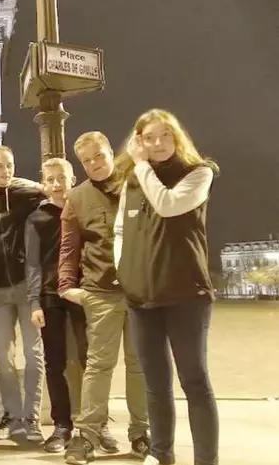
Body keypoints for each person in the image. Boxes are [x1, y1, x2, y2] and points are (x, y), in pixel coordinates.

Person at [114, 109, 219, 465]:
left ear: (177, 137)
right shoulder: (129, 183)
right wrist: (124, 271)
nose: (157, 144)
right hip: (142, 298)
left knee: (195, 383)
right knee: (155, 387)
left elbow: (168, 204)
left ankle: (206, 460)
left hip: (186, 294)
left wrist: (141, 166)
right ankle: (162, 457)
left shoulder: (198, 173)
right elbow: (120, 232)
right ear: (138, 140)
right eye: (148, 137)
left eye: (164, 136)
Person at [59, 131, 150, 465]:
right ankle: (87, 435)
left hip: (141, 291)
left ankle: (141, 432)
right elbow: (69, 247)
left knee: (140, 365)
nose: (95, 164)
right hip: (100, 291)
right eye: (87, 161)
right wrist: (66, 284)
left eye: (99, 156)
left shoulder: (139, 185)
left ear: (111, 152)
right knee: (99, 366)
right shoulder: (77, 198)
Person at [0, 145, 47, 443]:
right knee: (3, 355)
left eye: (10, 165)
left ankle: (31, 416)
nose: (6, 170)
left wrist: (30, 183)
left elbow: (48, 188)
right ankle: (13, 416)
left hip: (26, 286)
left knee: (33, 353)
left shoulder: (26, 194)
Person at [26, 158, 87, 453]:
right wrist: (34, 301)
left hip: (86, 292)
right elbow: (33, 265)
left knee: (92, 361)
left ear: (72, 179)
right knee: (55, 363)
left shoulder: (85, 209)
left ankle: (92, 424)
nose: (56, 184)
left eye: (61, 177)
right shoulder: (36, 219)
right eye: (50, 179)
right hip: (51, 295)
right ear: (43, 182)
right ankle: (62, 424)